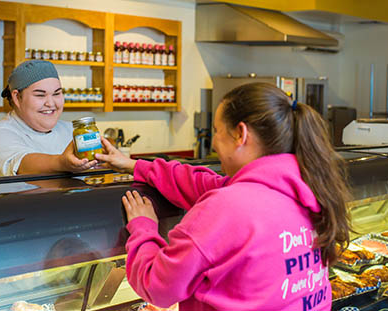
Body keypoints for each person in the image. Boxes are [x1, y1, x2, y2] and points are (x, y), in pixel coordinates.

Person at [95, 82, 351, 311]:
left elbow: (158, 287)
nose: (214, 142)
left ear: (241, 134)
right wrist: (136, 166)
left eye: (217, 130)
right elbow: (206, 184)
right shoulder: (308, 187)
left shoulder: (227, 206)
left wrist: (143, 228)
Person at [0, 60, 97, 178]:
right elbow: (22, 164)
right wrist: (62, 163)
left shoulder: (71, 130)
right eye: (40, 95)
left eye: (57, 93)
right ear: (17, 97)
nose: (50, 103)